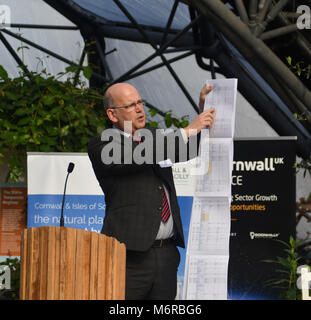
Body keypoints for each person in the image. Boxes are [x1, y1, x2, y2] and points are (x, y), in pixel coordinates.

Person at [87, 82, 215, 300]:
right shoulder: (103, 145)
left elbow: (191, 149)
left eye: (139, 102)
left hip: (166, 255)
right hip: (129, 257)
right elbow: (139, 155)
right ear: (112, 114)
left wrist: (204, 110)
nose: (139, 109)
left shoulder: (155, 138)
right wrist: (187, 130)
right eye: (130, 105)